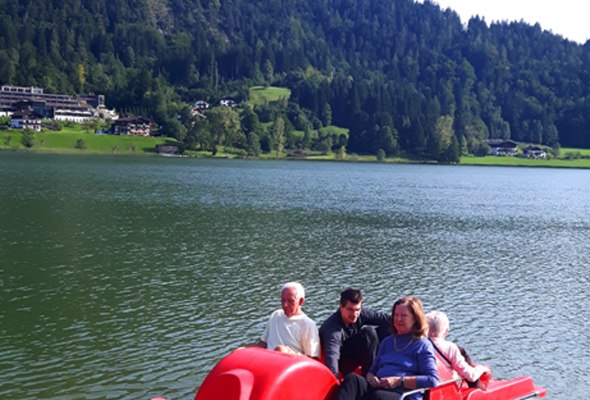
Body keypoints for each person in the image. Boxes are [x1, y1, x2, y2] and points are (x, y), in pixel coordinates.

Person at [336, 296, 439, 400]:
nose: (398, 319)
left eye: (404, 316)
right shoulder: (387, 342)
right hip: (380, 389)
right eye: (396, 315)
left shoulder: (422, 345)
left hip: (403, 395)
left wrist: (399, 381)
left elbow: (432, 380)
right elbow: (372, 371)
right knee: (353, 380)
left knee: (379, 397)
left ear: (415, 319)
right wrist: (372, 378)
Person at [320, 288, 391, 378]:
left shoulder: (361, 314)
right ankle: (370, 376)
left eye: (357, 310)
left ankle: (392, 364)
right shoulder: (333, 329)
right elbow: (332, 354)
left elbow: (386, 319)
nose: (354, 314)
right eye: (350, 309)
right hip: (344, 362)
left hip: (357, 352)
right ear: (341, 307)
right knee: (368, 333)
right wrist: (334, 379)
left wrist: (412, 323)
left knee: (389, 328)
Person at [251, 282, 320, 358]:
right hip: (268, 360)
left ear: (300, 301)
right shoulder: (275, 315)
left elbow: (313, 359)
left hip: (290, 365)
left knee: (281, 350)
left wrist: (291, 354)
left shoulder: (307, 325)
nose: (285, 305)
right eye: (283, 300)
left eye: (290, 301)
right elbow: (263, 343)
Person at [426, 310, 491, 389]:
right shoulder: (450, 348)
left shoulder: (420, 346)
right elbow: (471, 376)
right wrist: (482, 369)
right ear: (446, 331)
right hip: (447, 387)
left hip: (428, 388)